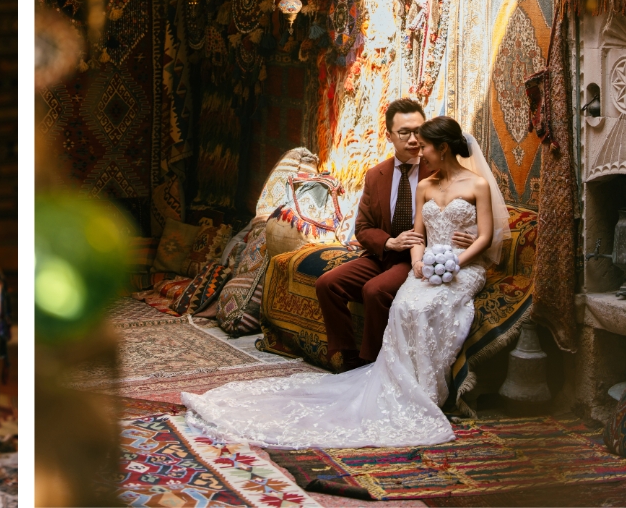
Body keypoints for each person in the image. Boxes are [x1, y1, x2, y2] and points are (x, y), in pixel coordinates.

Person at [181, 116, 510, 449]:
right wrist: (418, 262)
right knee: (401, 303)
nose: (418, 150)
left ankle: (427, 388)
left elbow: (484, 237)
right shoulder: (415, 183)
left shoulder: (476, 185)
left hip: (461, 266)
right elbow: (412, 235)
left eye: (423, 144)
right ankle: (362, 367)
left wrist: (455, 262)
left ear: (442, 147)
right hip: (416, 261)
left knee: (420, 305)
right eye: (407, 136)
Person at [315, 98, 434, 371]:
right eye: (404, 132)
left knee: (375, 290)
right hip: (383, 253)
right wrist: (390, 242)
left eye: (419, 130)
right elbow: (363, 228)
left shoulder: (437, 171)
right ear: (389, 134)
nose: (414, 139)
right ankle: (347, 357)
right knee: (327, 284)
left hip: (416, 258)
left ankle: (372, 364)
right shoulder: (376, 174)